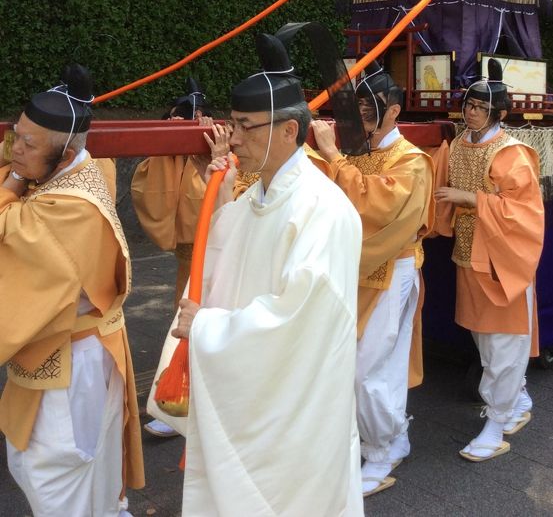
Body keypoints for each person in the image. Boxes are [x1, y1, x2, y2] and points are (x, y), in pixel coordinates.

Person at [153, 34, 364, 517]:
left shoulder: (322, 208)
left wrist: (206, 327)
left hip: (294, 409)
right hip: (253, 392)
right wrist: (223, 196)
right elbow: (227, 263)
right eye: (233, 125)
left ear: (290, 130)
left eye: (246, 127)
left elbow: (301, 317)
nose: (234, 139)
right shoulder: (255, 199)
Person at [0, 64, 144, 517]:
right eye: (15, 135)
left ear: (64, 155)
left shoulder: (72, 205)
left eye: (28, 143)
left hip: (71, 359)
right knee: (59, 469)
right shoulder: (74, 169)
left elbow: (7, 233)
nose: (15, 149)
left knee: (56, 474)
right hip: (66, 349)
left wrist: (12, 183)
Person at [311, 62, 434, 497]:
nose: (362, 112)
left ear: (394, 111)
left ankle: (384, 448)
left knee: (368, 369)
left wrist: (333, 157)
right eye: (358, 105)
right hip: (357, 267)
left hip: (390, 269)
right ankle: (387, 436)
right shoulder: (359, 149)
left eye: (371, 106)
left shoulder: (411, 161)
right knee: (371, 364)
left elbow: (377, 204)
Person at [434, 59, 544, 462]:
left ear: (499, 113)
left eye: (480, 106)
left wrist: (471, 200)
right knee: (486, 342)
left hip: (502, 260)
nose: (471, 111)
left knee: (502, 343)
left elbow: (526, 213)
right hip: (468, 255)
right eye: (469, 104)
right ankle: (515, 400)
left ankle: (496, 425)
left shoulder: (512, 153)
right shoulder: (460, 144)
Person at [131, 77, 222, 439]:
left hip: (222, 252)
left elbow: (224, 198)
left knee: (210, 326)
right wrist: (168, 146)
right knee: (185, 324)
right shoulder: (177, 155)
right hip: (192, 257)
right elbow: (155, 196)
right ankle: (178, 399)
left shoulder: (225, 151)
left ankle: (193, 402)